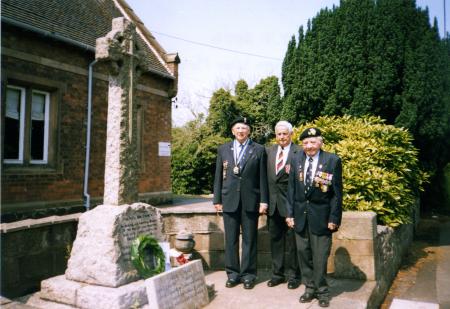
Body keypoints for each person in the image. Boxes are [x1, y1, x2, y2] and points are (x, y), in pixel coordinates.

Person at [286, 127, 342, 308]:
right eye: (305, 143)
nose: (309, 146)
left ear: (320, 142)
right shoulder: (296, 159)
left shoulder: (332, 160)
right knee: (304, 255)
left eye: (312, 142)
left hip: (322, 218)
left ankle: (322, 291)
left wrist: (334, 218)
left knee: (320, 257)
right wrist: (289, 214)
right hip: (300, 218)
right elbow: (291, 190)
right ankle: (309, 288)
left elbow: (336, 194)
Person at [213, 116, 269, 290]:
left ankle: (249, 275)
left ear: (249, 131)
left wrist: (264, 201)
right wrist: (217, 199)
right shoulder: (223, 149)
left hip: (251, 200)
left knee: (249, 240)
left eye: (244, 128)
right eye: (238, 128)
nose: (241, 131)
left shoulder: (259, 149)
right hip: (229, 199)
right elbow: (218, 176)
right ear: (233, 131)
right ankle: (232, 274)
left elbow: (263, 178)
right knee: (230, 240)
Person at [265, 121, 301, 289]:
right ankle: (277, 274)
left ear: (291, 134)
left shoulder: (299, 151)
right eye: (279, 134)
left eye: (284, 134)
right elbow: (265, 180)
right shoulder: (269, 151)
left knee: (293, 242)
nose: (281, 137)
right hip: (273, 206)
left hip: (291, 206)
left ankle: (294, 276)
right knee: (276, 241)